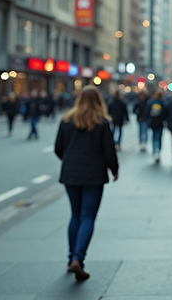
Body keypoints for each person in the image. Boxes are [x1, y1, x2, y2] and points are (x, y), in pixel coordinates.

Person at [54, 87, 119, 281]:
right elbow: (109, 150)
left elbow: (59, 148)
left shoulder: (66, 120)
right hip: (94, 174)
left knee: (75, 215)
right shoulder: (101, 122)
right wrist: (114, 169)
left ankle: (71, 257)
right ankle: (78, 259)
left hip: (71, 174)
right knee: (88, 216)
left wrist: (69, 161)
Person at [148, 90, 165, 162]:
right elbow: (164, 113)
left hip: (153, 122)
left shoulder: (152, 102)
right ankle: (158, 151)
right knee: (159, 137)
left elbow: (148, 112)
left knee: (154, 137)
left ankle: (155, 151)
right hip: (160, 123)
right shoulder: (163, 103)